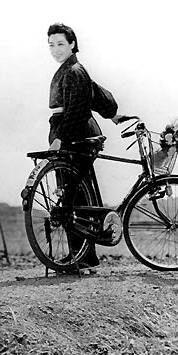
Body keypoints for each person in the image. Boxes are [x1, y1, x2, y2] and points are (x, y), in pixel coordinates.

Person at [47, 23, 111, 270]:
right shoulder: (70, 70)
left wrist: (60, 138)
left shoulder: (74, 70)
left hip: (75, 133)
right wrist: (112, 114)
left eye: (60, 44)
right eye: (51, 45)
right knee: (71, 191)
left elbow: (78, 109)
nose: (55, 50)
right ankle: (83, 253)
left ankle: (83, 254)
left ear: (72, 44)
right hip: (69, 131)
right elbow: (96, 93)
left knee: (75, 192)